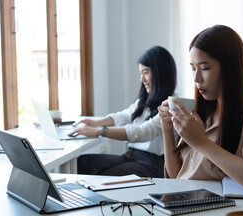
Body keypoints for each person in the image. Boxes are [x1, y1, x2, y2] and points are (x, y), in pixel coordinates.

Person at [158, 25, 243, 199]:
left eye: (205, 68)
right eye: (193, 68)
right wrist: (167, 128)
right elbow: (177, 176)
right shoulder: (200, 114)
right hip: (181, 203)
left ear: (230, 69)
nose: (196, 79)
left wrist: (201, 142)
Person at [69, 46, 177, 177]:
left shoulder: (172, 105)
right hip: (132, 156)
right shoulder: (145, 100)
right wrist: (96, 123)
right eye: (140, 74)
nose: (141, 79)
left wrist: (101, 131)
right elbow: (124, 115)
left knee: (105, 177)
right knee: (83, 163)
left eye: (146, 72)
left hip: (153, 164)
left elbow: (142, 132)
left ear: (161, 72)